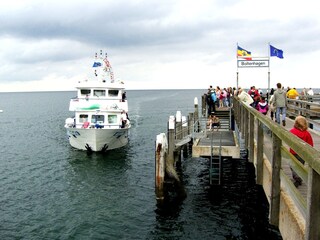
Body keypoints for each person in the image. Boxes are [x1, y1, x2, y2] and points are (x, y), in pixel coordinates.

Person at [289, 116, 314, 187]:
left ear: (296, 124)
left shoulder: (292, 131)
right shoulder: (307, 134)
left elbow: (288, 140)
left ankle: (297, 178)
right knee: (300, 166)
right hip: (303, 154)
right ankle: (299, 177)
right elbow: (310, 145)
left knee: (293, 165)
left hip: (293, 152)